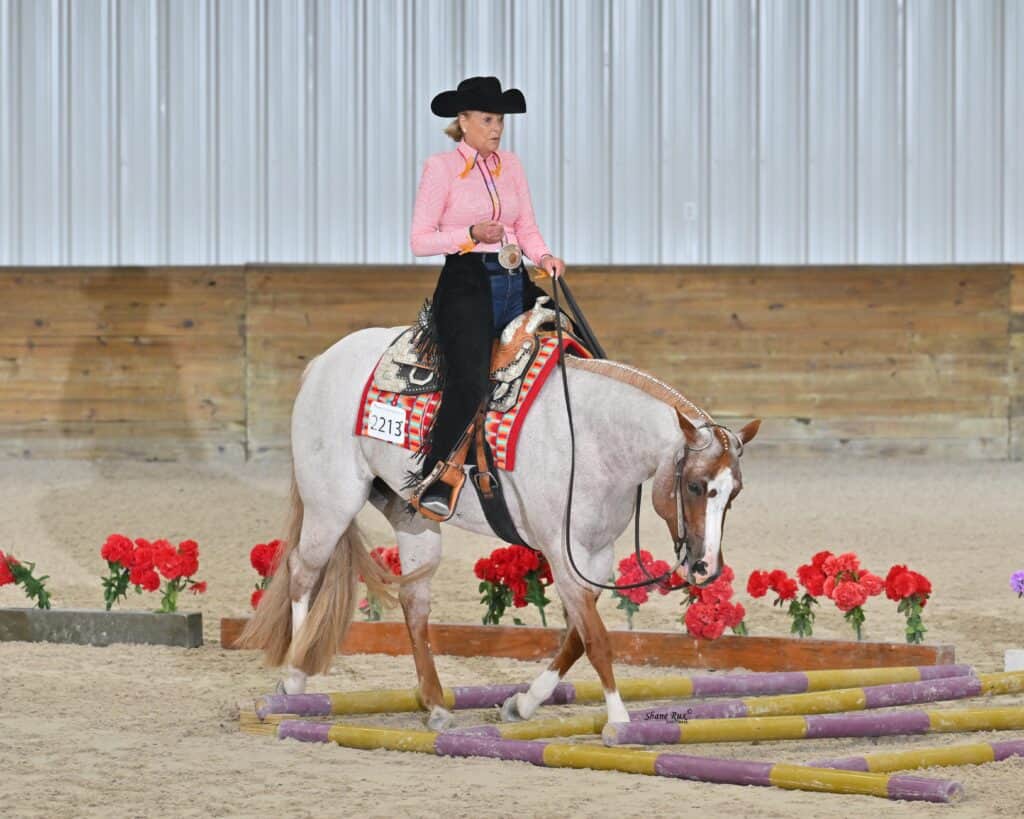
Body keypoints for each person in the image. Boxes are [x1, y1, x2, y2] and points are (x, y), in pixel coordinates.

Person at [409, 76, 566, 518]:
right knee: (471, 378)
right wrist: (470, 234)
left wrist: (546, 256)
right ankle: (441, 471)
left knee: (567, 338)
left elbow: (527, 226)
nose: (497, 128)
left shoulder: (511, 165)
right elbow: (420, 240)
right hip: (465, 282)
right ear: (463, 121)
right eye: (487, 119)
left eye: (499, 119)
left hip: (515, 278)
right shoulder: (440, 168)